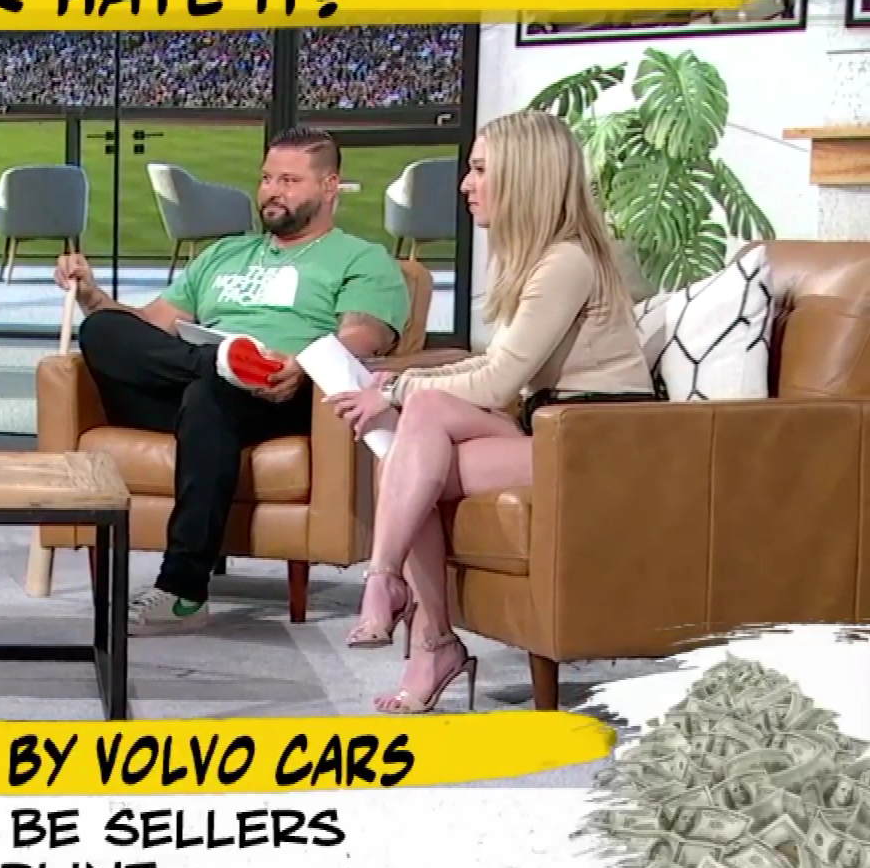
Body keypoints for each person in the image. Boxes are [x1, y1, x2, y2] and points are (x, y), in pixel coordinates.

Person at [327, 108, 655, 714]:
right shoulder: (539, 258)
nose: (465, 184)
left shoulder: (566, 263)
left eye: (479, 169)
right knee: (413, 434)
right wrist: (400, 384)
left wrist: (395, 391)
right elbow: (497, 368)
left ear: (524, 176)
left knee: (408, 449)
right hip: (547, 425)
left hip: (597, 443)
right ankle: (416, 622)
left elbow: (500, 379)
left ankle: (407, 612)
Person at [62, 127, 411, 636]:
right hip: (192, 379)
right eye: (267, 178)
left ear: (330, 185)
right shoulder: (224, 254)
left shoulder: (361, 258)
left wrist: (301, 362)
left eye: (289, 180)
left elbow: (363, 335)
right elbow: (149, 326)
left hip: (280, 391)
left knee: (210, 396)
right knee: (103, 330)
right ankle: (220, 362)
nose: (272, 191)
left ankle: (182, 591)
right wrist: (91, 296)